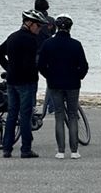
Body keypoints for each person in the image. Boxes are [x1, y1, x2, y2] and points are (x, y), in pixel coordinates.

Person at [0, 9, 47, 158]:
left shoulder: (12, 37)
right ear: (29, 23)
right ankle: (26, 149)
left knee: (12, 114)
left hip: (12, 81)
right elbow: (32, 63)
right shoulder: (30, 40)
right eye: (38, 25)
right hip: (26, 82)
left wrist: (8, 68)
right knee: (25, 115)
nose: (39, 28)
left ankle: (7, 148)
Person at [37, 14, 88, 159]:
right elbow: (84, 66)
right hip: (72, 84)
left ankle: (60, 150)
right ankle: (74, 151)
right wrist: (78, 76)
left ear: (56, 27)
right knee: (72, 115)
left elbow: (41, 65)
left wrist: (49, 76)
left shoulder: (48, 44)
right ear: (70, 28)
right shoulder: (76, 44)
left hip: (54, 83)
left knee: (59, 115)